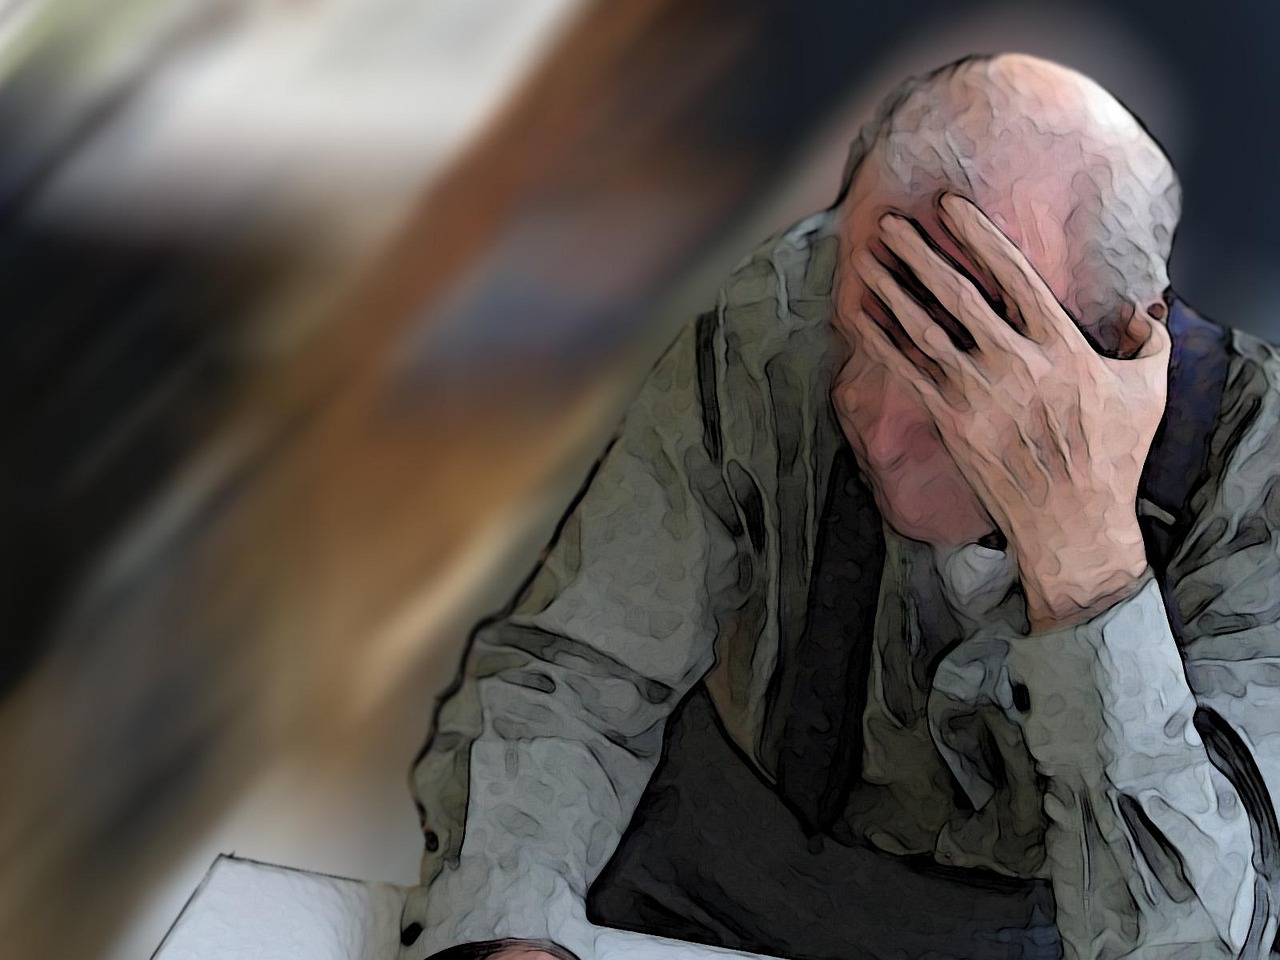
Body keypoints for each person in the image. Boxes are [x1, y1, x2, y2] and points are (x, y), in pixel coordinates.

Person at [396, 54, 1280, 960]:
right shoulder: (782, 310)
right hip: (706, 895)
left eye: (956, 369)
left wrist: (1086, 564)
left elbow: (1197, 943)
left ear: (1121, 354)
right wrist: (507, 935)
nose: (878, 426)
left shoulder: (1256, 471)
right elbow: (577, 675)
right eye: (860, 339)